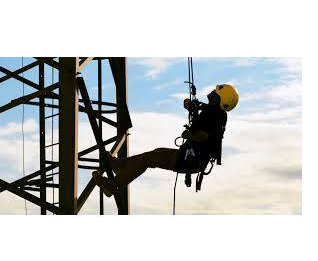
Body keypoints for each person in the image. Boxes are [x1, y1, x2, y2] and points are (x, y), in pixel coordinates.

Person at [92, 84, 239, 197]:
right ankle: (120, 165)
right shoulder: (217, 113)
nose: (213, 92)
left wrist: (190, 135)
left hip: (191, 159)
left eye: (217, 92)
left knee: (150, 158)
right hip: (193, 158)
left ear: (220, 96)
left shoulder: (215, 114)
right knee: (155, 153)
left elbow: (205, 136)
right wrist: (191, 106)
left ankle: (113, 185)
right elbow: (204, 115)